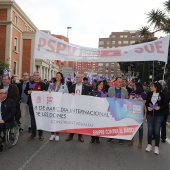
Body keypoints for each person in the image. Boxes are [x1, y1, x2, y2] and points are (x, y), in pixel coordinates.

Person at [65, 74, 89, 142]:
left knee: (80, 121)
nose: (78, 78)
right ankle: (71, 135)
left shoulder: (86, 87)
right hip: (73, 106)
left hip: (81, 107)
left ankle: (80, 135)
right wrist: (70, 95)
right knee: (72, 121)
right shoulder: (72, 86)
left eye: (79, 77)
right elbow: (68, 96)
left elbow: (87, 98)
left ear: (82, 78)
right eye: (77, 77)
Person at [145, 82, 168, 155]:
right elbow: (147, 103)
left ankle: (156, 146)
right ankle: (149, 144)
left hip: (159, 115)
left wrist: (160, 107)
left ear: (156, 87)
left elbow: (166, 105)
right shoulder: (149, 94)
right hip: (150, 114)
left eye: (152, 86)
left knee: (157, 130)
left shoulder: (163, 95)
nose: (150, 87)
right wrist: (148, 107)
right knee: (150, 130)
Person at [24, 71, 47, 141]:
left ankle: (40, 134)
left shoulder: (43, 84)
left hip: (40, 105)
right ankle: (33, 134)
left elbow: (47, 93)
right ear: (33, 76)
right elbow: (25, 91)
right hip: (32, 104)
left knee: (40, 119)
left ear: (39, 76)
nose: (36, 76)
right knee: (33, 120)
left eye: (37, 75)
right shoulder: (30, 83)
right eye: (35, 75)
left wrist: (44, 92)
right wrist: (28, 92)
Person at [107, 77, 128, 144]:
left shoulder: (125, 90)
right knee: (112, 123)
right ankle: (111, 137)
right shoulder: (110, 89)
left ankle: (120, 138)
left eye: (121, 82)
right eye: (119, 82)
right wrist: (112, 99)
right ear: (115, 82)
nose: (120, 83)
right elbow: (107, 99)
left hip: (121, 110)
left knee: (120, 124)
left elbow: (127, 100)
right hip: (113, 109)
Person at [48, 72, 68, 141]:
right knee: (52, 120)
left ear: (61, 77)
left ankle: (57, 134)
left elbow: (67, 94)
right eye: (57, 76)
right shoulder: (51, 84)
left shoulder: (64, 85)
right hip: (52, 104)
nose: (57, 77)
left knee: (57, 120)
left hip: (59, 104)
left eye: (59, 76)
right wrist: (47, 91)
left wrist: (64, 94)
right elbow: (48, 92)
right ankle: (52, 134)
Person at [128, 82, 147, 148]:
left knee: (140, 128)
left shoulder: (143, 94)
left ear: (138, 87)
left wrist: (145, 115)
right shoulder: (132, 93)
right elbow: (129, 101)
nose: (134, 87)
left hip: (140, 113)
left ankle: (140, 141)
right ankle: (131, 139)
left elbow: (145, 105)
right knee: (131, 127)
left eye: (135, 86)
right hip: (132, 113)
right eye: (133, 86)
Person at [0, 89, 16, 153]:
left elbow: (12, 113)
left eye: (1, 93)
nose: (0, 94)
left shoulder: (11, 102)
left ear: (5, 94)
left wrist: (4, 120)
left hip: (5, 121)